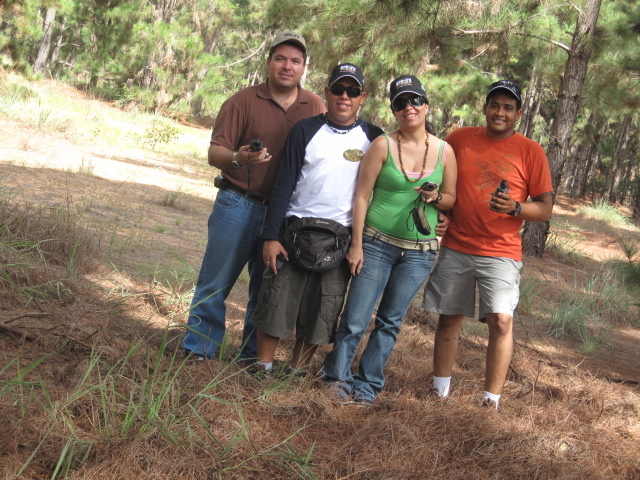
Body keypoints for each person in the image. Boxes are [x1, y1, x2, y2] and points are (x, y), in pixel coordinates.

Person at [183, 31, 326, 360]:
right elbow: (215, 152)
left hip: (283, 216)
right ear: (268, 62)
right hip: (238, 203)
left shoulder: (315, 106)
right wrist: (240, 158)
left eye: (295, 61)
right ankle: (199, 352)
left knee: (266, 291)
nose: (287, 66)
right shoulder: (242, 101)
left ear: (304, 67)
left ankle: (250, 357)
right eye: (280, 58)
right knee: (215, 283)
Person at [320, 75, 457, 405]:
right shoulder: (382, 144)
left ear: (425, 105)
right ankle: (336, 378)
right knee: (355, 317)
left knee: (390, 322)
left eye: (413, 101)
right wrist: (356, 244)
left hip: (419, 252)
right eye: (399, 103)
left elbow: (451, 198)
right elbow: (362, 196)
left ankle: (367, 385)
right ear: (394, 111)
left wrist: (437, 198)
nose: (407, 108)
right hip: (376, 244)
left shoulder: (444, 151)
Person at [421, 79, 554, 410]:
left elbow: (546, 207)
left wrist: (516, 208)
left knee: (501, 320)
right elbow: (440, 184)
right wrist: (444, 212)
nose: (500, 112)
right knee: (449, 317)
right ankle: (440, 392)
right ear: (484, 107)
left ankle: (490, 401)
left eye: (508, 108)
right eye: (494, 105)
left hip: (502, 251)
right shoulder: (460, 139)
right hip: (457, 245)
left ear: (518, 114)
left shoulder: (531, 151)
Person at [248, 63, 384, 374]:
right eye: (338, 89)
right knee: (276, 303)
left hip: (339, 241)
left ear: (363, 97)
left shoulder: (374, 138)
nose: (344, 97)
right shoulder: (305, 130)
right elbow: (283, 184)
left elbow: (392, 187)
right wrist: (271, 237)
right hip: (292, 232)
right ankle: (262, 369)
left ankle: (294, 374)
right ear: (327, 92)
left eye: (352, 91)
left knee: (322, 310)